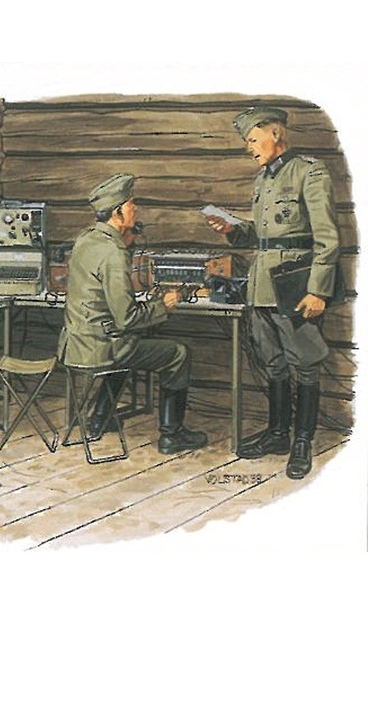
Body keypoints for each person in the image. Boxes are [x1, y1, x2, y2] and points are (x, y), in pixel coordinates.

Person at [206, 107, 340, 480]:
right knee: (273, 363)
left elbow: (327, 238)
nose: (249, 147)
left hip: (296, 287)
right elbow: (264, 237)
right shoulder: (263, 179)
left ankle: (302, 442)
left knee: (305, 364)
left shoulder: (309, 172)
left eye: (253, 139)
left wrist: (318, 290)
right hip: (262, 287)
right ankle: (279, 434)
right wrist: (232, 230)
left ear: (276, 134)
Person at [57, 173, 208, 454]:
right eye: (130, 205)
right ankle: (171, 434)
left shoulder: (85, 241)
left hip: (77, 346)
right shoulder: (113, 252)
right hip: (103, 350)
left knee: (128, 343)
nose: (135, 209)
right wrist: (164, 305)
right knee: (178, 353)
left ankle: (98, 419)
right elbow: (126, 318)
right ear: (117, 212)